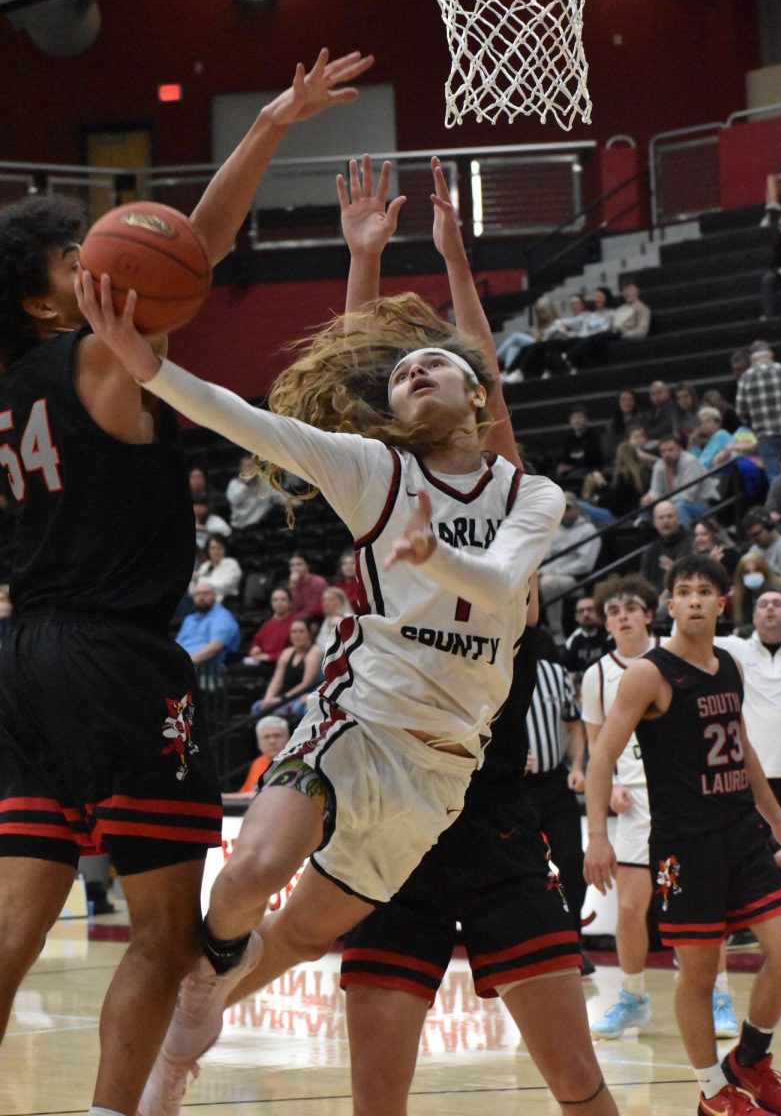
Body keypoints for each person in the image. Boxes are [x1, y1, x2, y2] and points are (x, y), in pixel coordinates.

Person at [79, 153, 565, 1114]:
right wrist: (152, 368)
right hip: (360, 712)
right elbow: (259, 421)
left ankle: (202, 1003)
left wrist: (437, 564)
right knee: (254, 868)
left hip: (444, 765)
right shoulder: (376, 473)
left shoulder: (531, 494)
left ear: (479, 395)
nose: (419, 365)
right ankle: (198, 990)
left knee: (302, 934)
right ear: (388, 412)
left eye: (442, 362)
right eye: (405, 369)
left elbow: (505, 581)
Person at [0, 43, 376, 1116]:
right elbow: (191, 248)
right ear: (41, 303)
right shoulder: (97, 353)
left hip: (23, 656)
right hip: (113, 657)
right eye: (75, 258)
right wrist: (266, 129)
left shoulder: (14, 384)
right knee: (164, 937)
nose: (99, 266)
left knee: (14, 925)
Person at [342, 596, 617, 1116]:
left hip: (500, 840)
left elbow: (525, 587)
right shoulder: (378, 627)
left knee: (578, 1075)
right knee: (376, 1098)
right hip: (396, 843)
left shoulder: (517, 625)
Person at [584, 554, 781, 1116]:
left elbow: (743, 748)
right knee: (699, 973)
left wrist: (777, 820)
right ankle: (712, 1091)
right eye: (685, 591)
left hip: (743, 834)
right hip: (686, 844)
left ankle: (750, 1058)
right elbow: (602, 754)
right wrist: (598, 836)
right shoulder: (648, 674)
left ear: (723, 604)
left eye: (707, 590)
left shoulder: (730, 664)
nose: (696, 599)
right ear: (671, 604)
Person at [582, 574, 738, 1041]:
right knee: (631, 908)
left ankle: (719, 994)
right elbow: (597, 747)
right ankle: (632, 997)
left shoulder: (678, 659)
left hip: (683, 800)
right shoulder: (597, 675)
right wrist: (607, 794)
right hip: (632, 806)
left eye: (631, 607)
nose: (623, 615)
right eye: (613, 610)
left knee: (706, 906)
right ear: (606, 623)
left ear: (651, 613)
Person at [716, 590, 781, 917]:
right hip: (750, 778)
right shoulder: (734, 648)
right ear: (752, 617)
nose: (769, 609)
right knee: (750, 858)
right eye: (762, 604)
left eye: (777, 604)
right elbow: (678, 637)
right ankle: (747, 927)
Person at [523, 621, 593, 975]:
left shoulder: (556, 674)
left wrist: (577, 765)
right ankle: (533, 947)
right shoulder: (490, 675)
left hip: (555, 783)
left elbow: (571, 726)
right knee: (526, 872)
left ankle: (573, 944)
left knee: (571, 863)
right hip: (515, 788)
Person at [539, 493, 601, 643]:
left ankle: (557, 633)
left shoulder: (588, 530)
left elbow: (586, 564)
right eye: (561, 508)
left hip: (577, 580)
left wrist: (554, 572)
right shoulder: (553, 528)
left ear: (577, 510)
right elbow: (544, 557)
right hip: (548, 573)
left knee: (548, 583)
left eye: (568, 508)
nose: (565, 512)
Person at [735, 341, 781, 482]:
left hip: (765, 437)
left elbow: (741, 411)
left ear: (752, 359)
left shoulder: (745, 379)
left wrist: (754, 424)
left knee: (775, 478)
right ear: (770, 354)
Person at [249, 617, 323, 726]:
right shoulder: (287, 653)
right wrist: (268, 699)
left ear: (309, 633)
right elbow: (277, 680)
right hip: (285, 697)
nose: (297, 635)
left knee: (299, 709)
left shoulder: (315, 652)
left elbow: (306, 684)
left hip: (305, 696)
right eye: (293, 632)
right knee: (257, 707)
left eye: (301, 631)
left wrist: (281, 699)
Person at [641, 433, 717, 527]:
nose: (667, 454)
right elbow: (656, 490)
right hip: (673, 502)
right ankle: (645, 534)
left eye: (671, 450)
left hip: (701, 504)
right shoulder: (660, 465)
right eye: (663, 451)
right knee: (646, 504)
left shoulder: (690, 462)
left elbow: (688, 495)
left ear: (679, 449)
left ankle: (687, 537)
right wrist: (650, 498)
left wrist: (665, 505)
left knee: (679, 507)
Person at [175, 578, 241, 671]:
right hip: (181, 668)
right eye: (197, 594)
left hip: (207, 671)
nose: (201, 597)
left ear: (214, 595)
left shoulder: (222, 617)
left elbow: (215, 647)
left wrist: (187, 664)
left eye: (206, 593)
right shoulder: (189, 619)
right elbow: (177, 645)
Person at [638, 500, 694, 597]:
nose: (665, 521)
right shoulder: (651, 550)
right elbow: (643, 580)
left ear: (679, 519)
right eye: (661, 518)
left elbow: (683, 578)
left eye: (670, 516)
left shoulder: (690, 543)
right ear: (654, 522)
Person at [227, 715, 291, 799]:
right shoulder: (258, 762)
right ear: (259, 743)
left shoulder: (300, 762)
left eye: (277, 736)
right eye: (266, 737)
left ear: (289, 739)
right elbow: (246, 793)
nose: (272, 741)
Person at [731, 551, 781, 630]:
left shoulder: (779, 588)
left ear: (764, 571)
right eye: (747, 572)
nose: (752, 575)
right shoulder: (740, 594)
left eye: (756, 570)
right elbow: (743, 623)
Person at [742, 506, 781, 586]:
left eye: (756, 534)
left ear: (769, 527)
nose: (753, 540)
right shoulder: (754, 550)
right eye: (750, 536)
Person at [226, 453, 283, 529]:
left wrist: (293, 502)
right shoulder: (234, 484)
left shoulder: (264, 482)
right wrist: (246, 484)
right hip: (242, 528)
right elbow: (234, 500)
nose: (251, 469)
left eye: (253, 466)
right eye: (247, 466)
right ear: (240, 469)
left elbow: (280, 496)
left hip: (263, 526)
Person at [242, 586, 294, 668]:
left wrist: (269, 657)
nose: (279, 603)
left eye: (283, 599)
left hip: (281, 664)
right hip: (262, 661)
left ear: (290, 603)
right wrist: (255, 648)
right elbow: (256, 641)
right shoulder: (268, 623)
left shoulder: (295, 623)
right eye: (275, 600)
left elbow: (295, 650)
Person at [564, 594, 613, 680]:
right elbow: (569, 673)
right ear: (576, 617)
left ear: (598, 613)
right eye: (581, 611)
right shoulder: (572, 641)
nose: (586, 614)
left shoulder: (610, 635)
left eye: (590, 610)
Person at [555, 406, 604, 485]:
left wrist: (571, 467)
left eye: (579, 417)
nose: (576, 421)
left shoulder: (593, 437)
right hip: (571, 472)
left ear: (587, 420)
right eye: (573, 418)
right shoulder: (568, 439)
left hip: (589, 471)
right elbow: (564, 457)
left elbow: (593, 460)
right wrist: (562, 466)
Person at [190, 534, 242, 603]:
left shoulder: (231, 564)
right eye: (213, 548)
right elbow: (192, 590)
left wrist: (198, 580)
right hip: (200, 601)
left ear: (225, 549)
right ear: (208, 550)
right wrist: (193, 581)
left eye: (220, 548)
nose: (216, 551)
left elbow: (223, 586)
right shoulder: (205, 565)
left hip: (223, 602)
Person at [602, 388, 641, 460]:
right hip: (619, 458)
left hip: (639, 455)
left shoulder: (642, 419)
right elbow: (608, 448)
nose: (627, 403)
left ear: (634, 402)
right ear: (618, 402)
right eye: (623, 400)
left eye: (630, 399)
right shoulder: (611, 424)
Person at [287, 552, 327, 621]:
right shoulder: (290, 584)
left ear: (307, 565)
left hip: (314, 620)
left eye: (299, 564)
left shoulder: (319, 582)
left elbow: (312, 609)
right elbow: (290, 609)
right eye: (292, 565)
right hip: (294, 620)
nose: (295, 568)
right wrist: (293, 587)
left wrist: (293, 619)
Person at [314, 584, 353, 651]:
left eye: (331, 599)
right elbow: (320, 642)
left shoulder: (347, 618)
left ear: (341, 601)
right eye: (324, 600)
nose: (325, 603)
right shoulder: (328, 619)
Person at [642, 379, 676, 448]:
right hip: (652, 441)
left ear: (668, 393)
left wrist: (646, 435)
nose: (656, 396)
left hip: (668, 440)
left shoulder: (674, 407)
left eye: (659, 392)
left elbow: (667, 425)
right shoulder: (651, 411)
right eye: (653, 394)